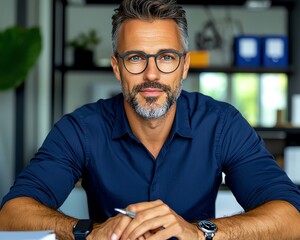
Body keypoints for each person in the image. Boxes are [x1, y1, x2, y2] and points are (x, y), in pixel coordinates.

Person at [1, 0, 300, 239]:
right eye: (135, 58)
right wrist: (90, 232)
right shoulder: (80, 129)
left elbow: (292, 218)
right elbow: (11, 214)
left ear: (184, 67)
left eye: (166, 57)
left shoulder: (222, 124)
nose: (152, 74)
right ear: (117, 68)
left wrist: (200, 233)